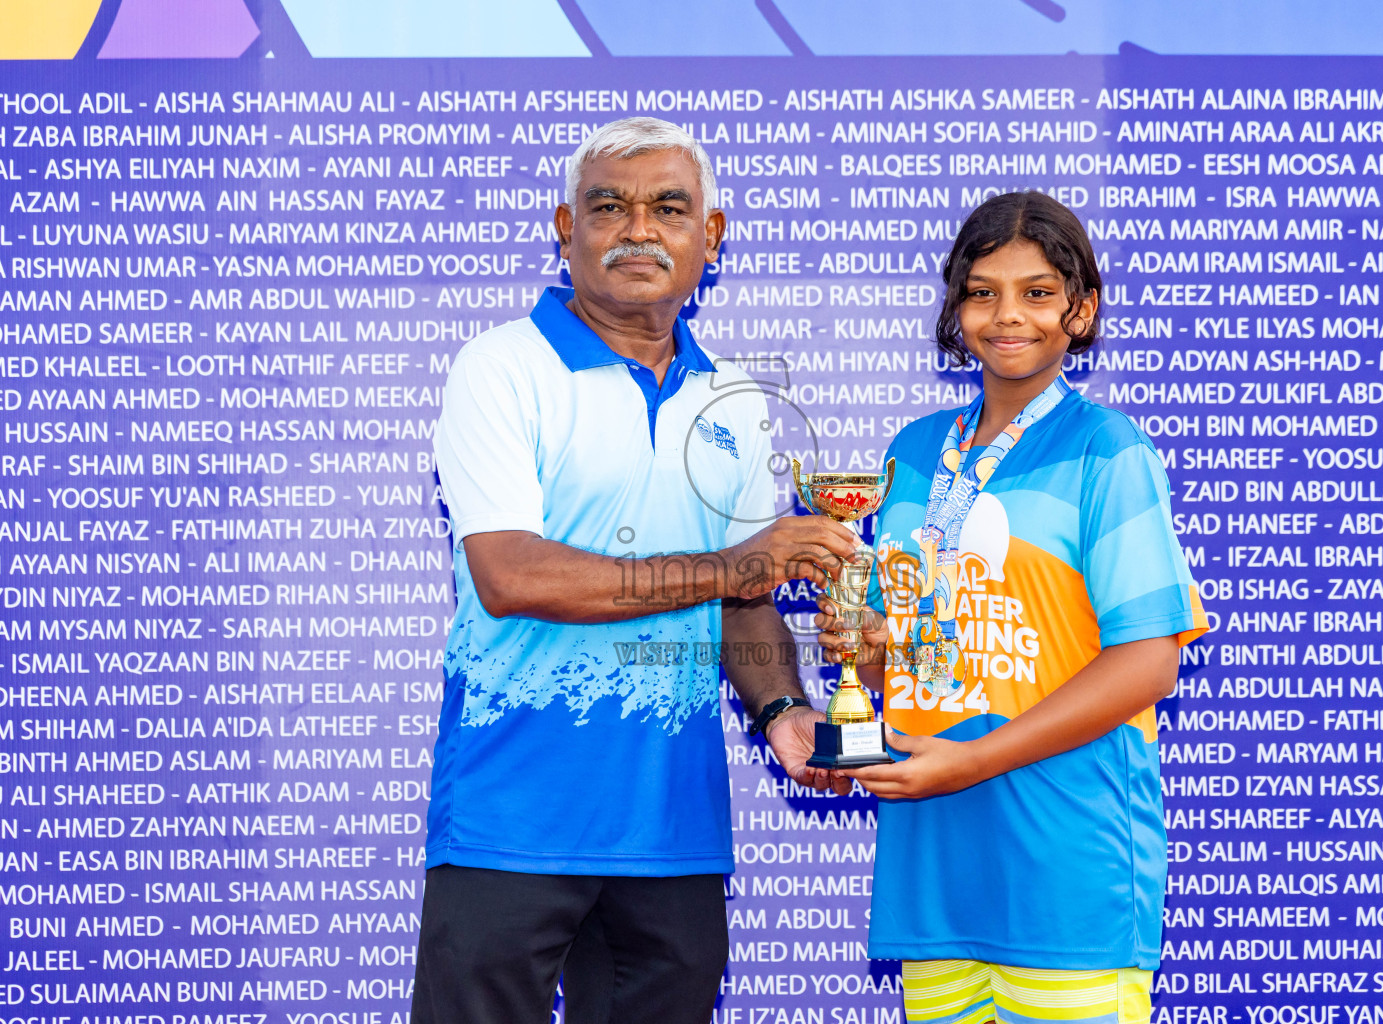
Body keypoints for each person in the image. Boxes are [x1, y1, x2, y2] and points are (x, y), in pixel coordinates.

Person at [414, 116, 857, 1024]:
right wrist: (733, 563)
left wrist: (784, 711)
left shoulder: (732, 398)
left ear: (712, 236)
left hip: (672, 834)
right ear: (564, 229)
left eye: (668, 207)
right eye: (608, 207)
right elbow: (513, 574)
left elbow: (746, 598)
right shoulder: (501, 368)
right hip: (513, 821)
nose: (638, 230)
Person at [817, 191, 1208, 1024]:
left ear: (1081, 309)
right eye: (983, 290)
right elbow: (908, 659)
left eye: (1037, 292)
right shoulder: (913, 451)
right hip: (935, 871)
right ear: (957, 305)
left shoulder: (1109, 448)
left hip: (1067, 869)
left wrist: (972, 760)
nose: (1007, 315)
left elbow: (1149, 659)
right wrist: (863, 641)